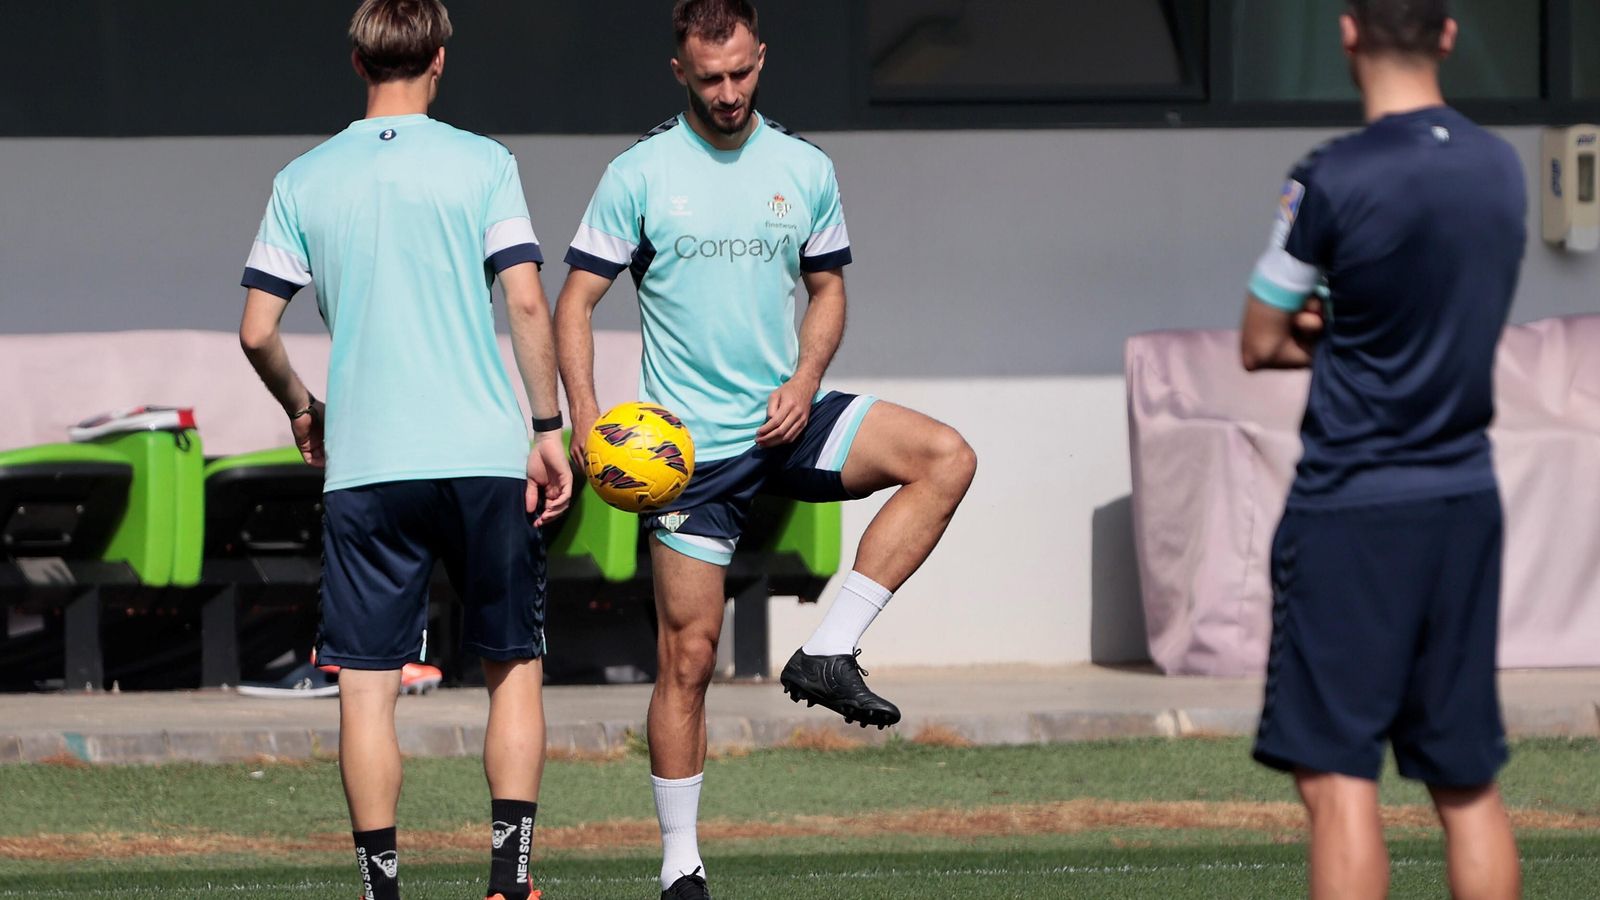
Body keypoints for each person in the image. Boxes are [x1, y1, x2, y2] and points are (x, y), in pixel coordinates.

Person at [553, 1, 976, 895]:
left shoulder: (804, 167)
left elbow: (828, 290)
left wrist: (805, 378)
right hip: (688, 460)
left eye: (741, 72)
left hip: (790, 417)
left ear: (762, 58)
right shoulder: (638, 174)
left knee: (945, 457)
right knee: (688, 659)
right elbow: (575, 303)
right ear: (680, 72)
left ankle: (830, 649)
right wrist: (586, 420)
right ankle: (681, 866)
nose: (728, 91)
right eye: (710, 77)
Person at [237, 2, 570, 898]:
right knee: (512, 667)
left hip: (368, 465)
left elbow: (257, 329)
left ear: (357, 63)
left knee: (366, 687)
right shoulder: (484, 163)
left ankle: (381, 890)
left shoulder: (303, 178)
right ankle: (509, 883)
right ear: (440, 60)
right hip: (483, 458)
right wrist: (548, 430)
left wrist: (303, 406)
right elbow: (526, 301)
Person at [1240, 2, 1525, 898]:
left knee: (1337, 780)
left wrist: (1334, 330)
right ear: (1449, 33)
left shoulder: (1330, 176)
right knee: (1466, 782)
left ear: (1347, 32)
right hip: (1465, 501)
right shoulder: (1501, 166)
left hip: (1352, 507)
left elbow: (1260, 339)